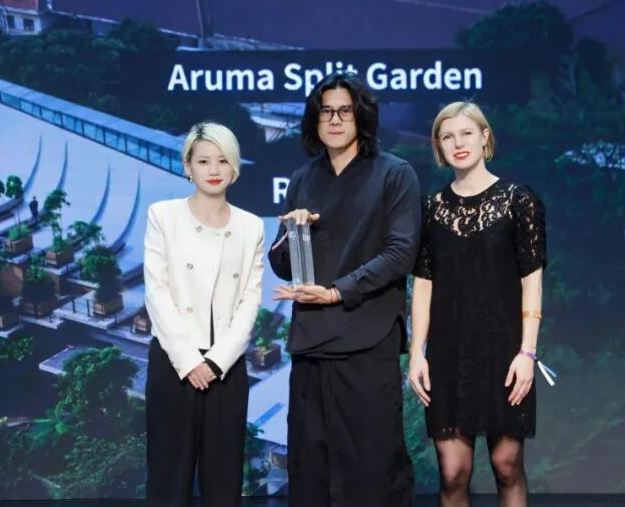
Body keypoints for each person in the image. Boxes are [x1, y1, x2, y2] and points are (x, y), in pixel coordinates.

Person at [270, 73, 420, 507]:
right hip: (312, 342)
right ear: (314, 120)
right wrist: (292, 234)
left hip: (367, 340)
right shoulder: (302, 179)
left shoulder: (395, 174)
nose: (334, 119)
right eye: (325, 111)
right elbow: (284, 265)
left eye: (344, 110)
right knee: (310, 469)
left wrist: (337, 292)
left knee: (372, 469)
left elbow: (401, 253)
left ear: (361, 117)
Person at [408, 102, 547, 507]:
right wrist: (416, 352)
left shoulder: (518, 200)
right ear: (439, 147)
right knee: (453, 473)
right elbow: (423, 285)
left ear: (485, 137)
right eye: (447, 136)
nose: (458, 143)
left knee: (507, 465)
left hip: (505, 352)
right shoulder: (429, 209)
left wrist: (528, 352)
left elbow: (532, 280)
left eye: (466, 133)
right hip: (448, 356)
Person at [144, 122, 265, 507]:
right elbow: (157, 292)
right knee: (168, 482)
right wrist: (189, 361)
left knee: (224, 485)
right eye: (203, 161)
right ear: (188, 167)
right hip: (173, 365)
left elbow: (250, 301)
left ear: (234, 167)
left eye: (223, 160)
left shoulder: (251, 226)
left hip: (226, 370)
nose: (214, 169)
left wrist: (215, 362)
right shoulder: (163, 216)